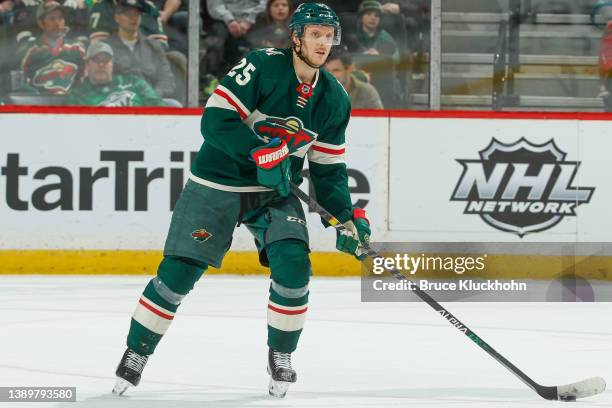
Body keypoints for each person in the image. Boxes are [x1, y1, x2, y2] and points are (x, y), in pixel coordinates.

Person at [112, 2, 371, 399]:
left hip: (273, 193)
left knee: (294, 265)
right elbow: (214, 120)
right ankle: (136, 352)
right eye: (315, 33)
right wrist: (257, 152)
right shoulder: (263, 65)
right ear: (296, 36)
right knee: (179, 272)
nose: (323, 42)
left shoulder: (334, 99)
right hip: (217, 183)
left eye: (329, 35)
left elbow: (328, 171)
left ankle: (281, 355)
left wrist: (344, 219)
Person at [105, 0, 175, 98]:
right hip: (117, 104)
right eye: (128, 14)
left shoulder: (153, 46)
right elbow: (100, 80)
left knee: (174, 105)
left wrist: (154, 94)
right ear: (117, 18)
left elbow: (167, 79)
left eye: (137, 14)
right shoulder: (105, 48)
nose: (133, 18)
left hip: (150, 102)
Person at [16, 0, 85, 95]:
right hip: (39, 105)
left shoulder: (77, 49)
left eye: (60, 18)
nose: (57, 23)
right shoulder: (30, 50)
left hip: (72, 104)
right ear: (40, 23)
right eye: (52, 19)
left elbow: (87, 80)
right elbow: (19, 84)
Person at [67, 41, 166, 106]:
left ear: (112, 64)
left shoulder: (135, 82)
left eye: (106, 60)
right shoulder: (77, 95)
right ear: (87, 64)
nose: (101, 64)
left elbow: (160, 108)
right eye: (96, 60)